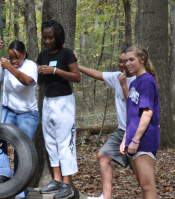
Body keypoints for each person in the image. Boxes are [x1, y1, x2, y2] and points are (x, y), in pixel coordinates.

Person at [76, 49, 136, 199]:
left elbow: (135, 108)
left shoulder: (139, 80)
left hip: (138, 131)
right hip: (122, 130)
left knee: (140, 173)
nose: (123, 64)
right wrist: (75, 65)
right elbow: (97, 74)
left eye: (126, 61)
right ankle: (106, 197)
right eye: (121, 61)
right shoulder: (117, 76)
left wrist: (124, 85)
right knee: (103, 156)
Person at [0, 38, 39, 199]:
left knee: (22, 149)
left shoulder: (30, 66)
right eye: (11, 58)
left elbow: (27, 81)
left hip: (28, 113)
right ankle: (3, 174)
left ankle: (19, 187)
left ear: (24, 54)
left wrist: (9, 67)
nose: (14, 61)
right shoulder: (5, 63)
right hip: (7, 108)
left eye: (17, 58)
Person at [37, 20, 81, 199]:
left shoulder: (67, 54)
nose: (47, 41)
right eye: (45, 37)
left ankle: (67, 183)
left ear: (58, 37)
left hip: (64, 102)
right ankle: (56, 180)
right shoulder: (42, 55)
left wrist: (55, 71)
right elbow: (40, 82)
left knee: (65, 143)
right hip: (48, 101)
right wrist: (40, 73)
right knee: (50, 142)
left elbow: (76, 77)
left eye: (51, 37)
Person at [120, 45, 159, 199]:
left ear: (142, 60)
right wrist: (125, 138)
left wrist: (136, 140)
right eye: (126, 60)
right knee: (142, 185)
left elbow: (147, 112)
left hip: (144, 140)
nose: (127, 63)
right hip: (132, 140)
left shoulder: (147, 81)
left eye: (131, 60)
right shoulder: (134, 83)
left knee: (148, 186)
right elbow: (132, 115)